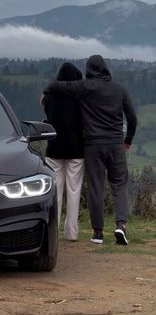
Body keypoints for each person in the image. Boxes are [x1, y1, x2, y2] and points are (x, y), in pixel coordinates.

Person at [43, 55, 137, 245]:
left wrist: (46, 91)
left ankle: (98, 233)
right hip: (115, 143)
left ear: (89, 70)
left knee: (95, 187)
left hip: (93, 145)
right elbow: (132, 117)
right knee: (119, 185)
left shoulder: (84, 87)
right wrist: (127, 139)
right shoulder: (120, 90)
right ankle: (120, 224)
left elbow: (56, 86)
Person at [41, 62, 84, 241]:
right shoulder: (81, 96)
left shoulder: (48, 96)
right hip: (76, 147)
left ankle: (53, 231)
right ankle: (71, 232)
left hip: (54, 147)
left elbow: (46, 114)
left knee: (55, 190)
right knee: (74, 189)